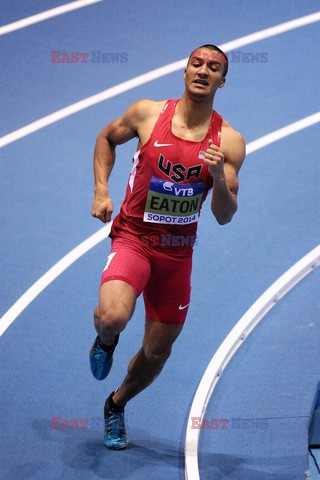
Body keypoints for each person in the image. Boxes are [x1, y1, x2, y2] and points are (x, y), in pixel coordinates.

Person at [90, 44, 245, 449]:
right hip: (133, 239)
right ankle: (105, 341)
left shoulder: (228, 142)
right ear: (185, 71)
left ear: (222, 81)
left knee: (157, 352)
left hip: (177, 254)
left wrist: (216, 175)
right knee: (112, 318)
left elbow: (225, 214)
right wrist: (101, 191)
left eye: (213, 68)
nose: (203, 71)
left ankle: (116, 405)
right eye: (197, 63)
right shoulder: (147, 113)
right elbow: (107, 138)